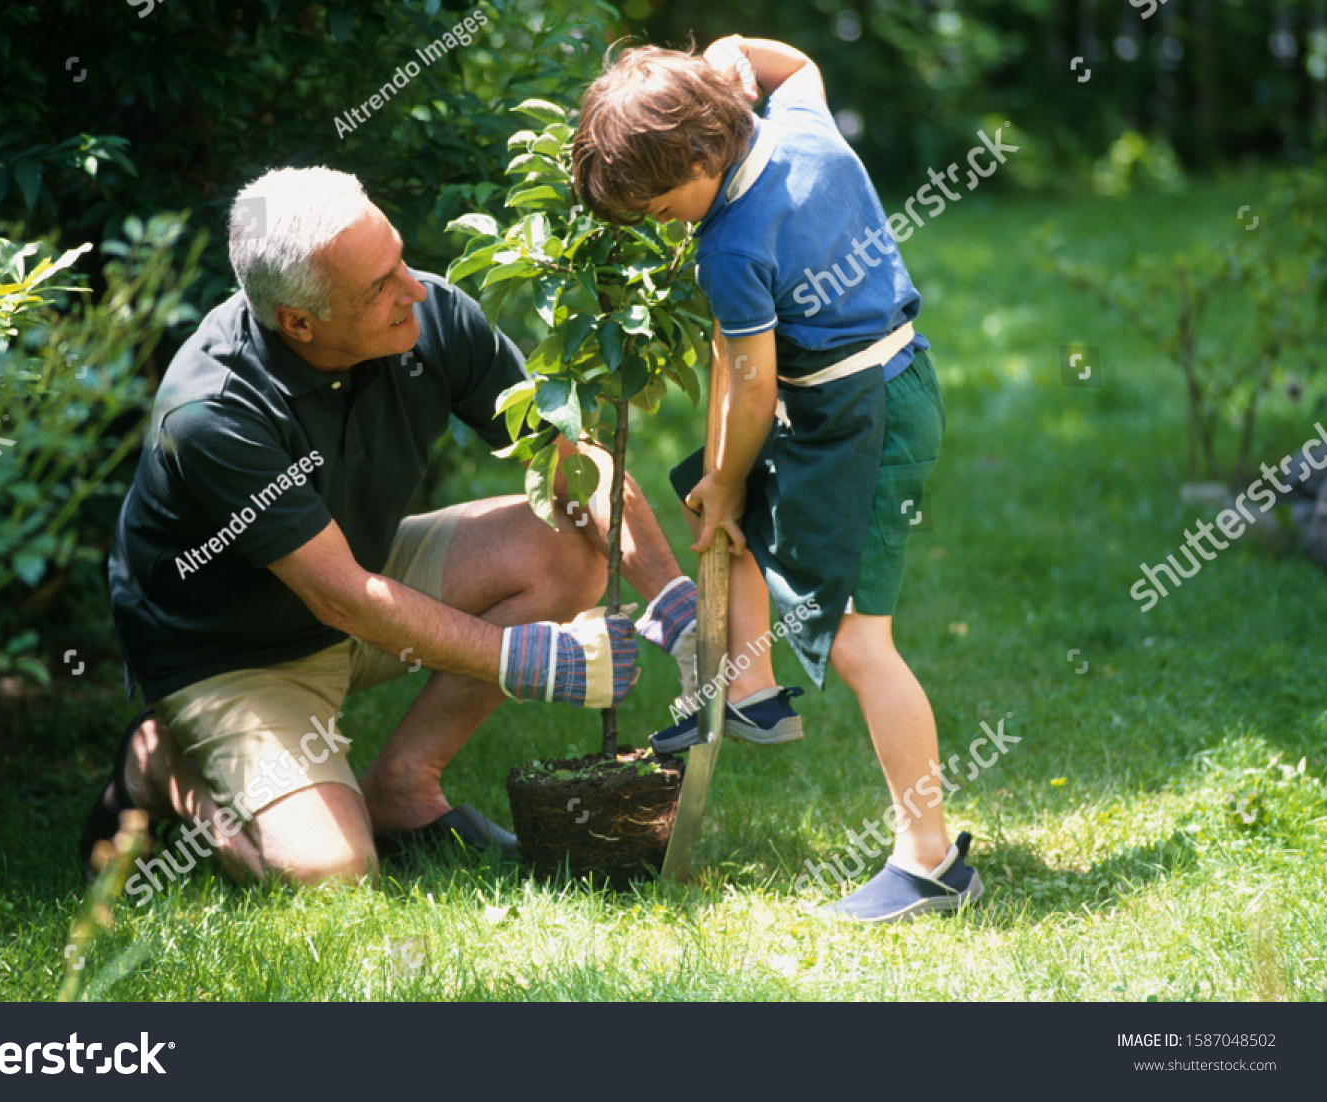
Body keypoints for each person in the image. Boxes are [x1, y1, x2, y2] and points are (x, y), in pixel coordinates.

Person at [82, 166, 697, 888]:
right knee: (329, 872)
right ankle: (162, 767)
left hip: (355, 572)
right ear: (299, 322)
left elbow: (573, 464)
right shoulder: (213, 413)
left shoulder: (428, 314)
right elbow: (340, 598)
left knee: (564, 545)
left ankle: (404, 787)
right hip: (230, 652)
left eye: (398, 257)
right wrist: (529, 660)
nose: (413, 287)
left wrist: (676, 603)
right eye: (378, 286)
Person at [571, 37, 982, 922]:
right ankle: (752, 695)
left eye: (663, 204)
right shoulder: (796, 120)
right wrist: (732, 51)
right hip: (854, 394)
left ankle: (932, 860)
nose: (666, 223)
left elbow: (751, 390)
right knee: (735, 505)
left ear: (698, 154)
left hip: (866, 414)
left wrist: (726, 478)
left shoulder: (730, 244)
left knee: (857, 642)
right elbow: (793, 65)